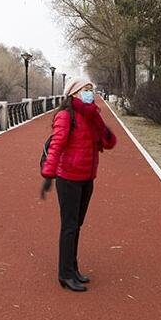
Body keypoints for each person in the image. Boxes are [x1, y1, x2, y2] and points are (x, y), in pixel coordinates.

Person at [40, 77, 117, 292]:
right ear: (74, 93)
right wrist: (48, 175)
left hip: (87, 178)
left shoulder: (91, 115)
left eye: (91, 89)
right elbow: (56, 145)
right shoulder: (66, 115)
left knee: (77, 225)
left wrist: (100, 124)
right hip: (68, 179)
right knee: (69, 226)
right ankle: (65, 274)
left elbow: (109, 143)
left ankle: (73, 268)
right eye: (85, 89)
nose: (89, 93)